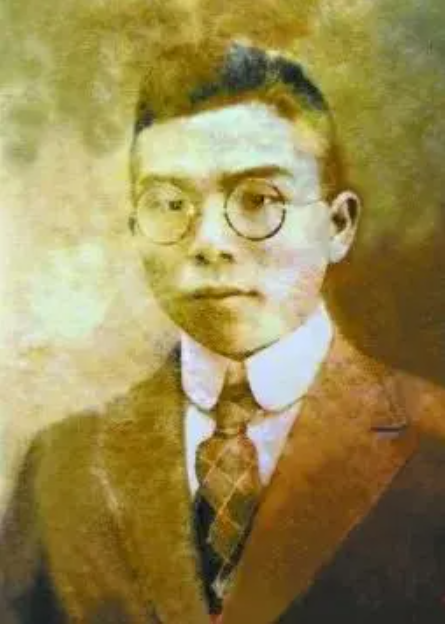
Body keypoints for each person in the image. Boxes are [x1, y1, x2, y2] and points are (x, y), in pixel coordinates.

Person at [1, 41, 445, 624]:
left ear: (338, 226)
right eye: (169, 203)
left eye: (259, 199)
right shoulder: (62, 467)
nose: (209, 241)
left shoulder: (433, 442)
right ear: (135, 229)